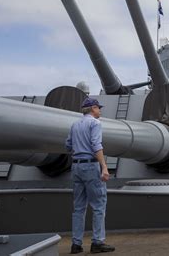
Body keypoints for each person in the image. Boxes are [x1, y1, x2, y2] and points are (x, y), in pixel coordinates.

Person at [66, 97, 115, 254]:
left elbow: (68, 145)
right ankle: (97, 242)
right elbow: (96, 145)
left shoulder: (74, 125)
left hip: (76, 166)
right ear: (93, 108)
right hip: (90, 165)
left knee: (79, 207)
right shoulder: (95, 123)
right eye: (98, 108)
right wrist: (104, 167)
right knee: (99, 204)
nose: (100, 110)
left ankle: (76, 244)